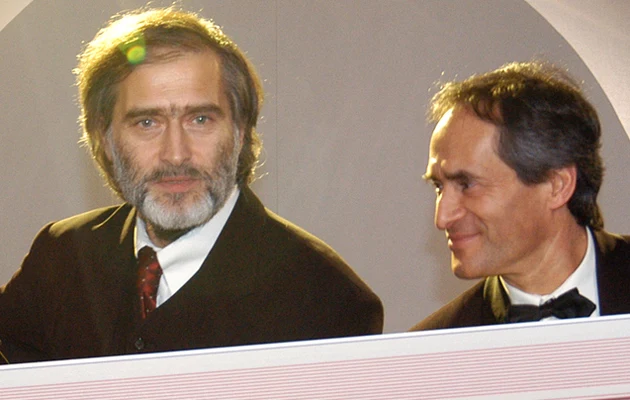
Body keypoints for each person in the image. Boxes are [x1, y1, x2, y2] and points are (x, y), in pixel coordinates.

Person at [0, 6, 383, 364]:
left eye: (200, 119)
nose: (176, 154)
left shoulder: (328, 300)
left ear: (241, 132)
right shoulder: (60, 258)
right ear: (104, 140)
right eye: (147, 122)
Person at [411, 61, 630, 331]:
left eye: (466, 184)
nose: (442, 217)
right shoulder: (438, 346)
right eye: (439, 187)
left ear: (556, 185)